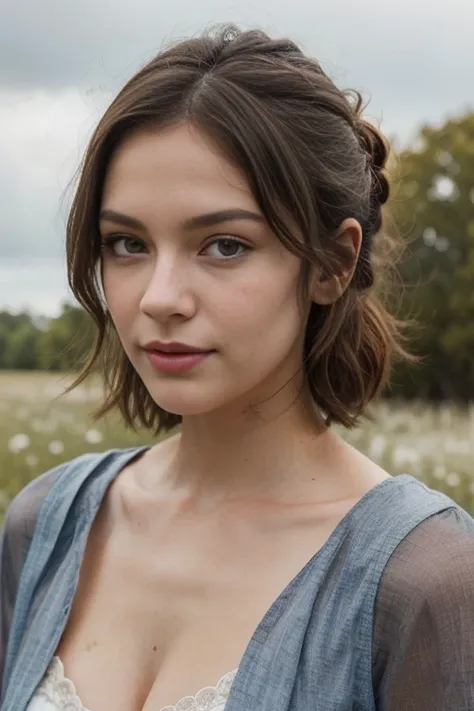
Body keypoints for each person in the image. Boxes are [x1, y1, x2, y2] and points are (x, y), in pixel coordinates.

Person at [1, 24, 474, 711]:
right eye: (127, 242)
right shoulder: (43, 526)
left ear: (333, 263)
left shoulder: (422, 581)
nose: (159, 297)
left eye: (224, 245)